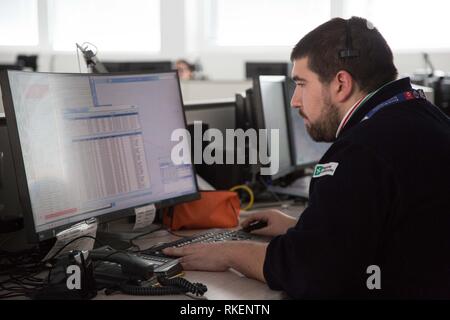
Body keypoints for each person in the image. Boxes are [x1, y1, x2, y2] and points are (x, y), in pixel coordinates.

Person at [164, 17, 450, 299]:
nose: (295, 100)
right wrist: (296, 227)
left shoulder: (361, 151)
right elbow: (379, 226)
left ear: (341, 83)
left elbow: (311, 272)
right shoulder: (424, 116)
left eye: (301, 84)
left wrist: (230, 252)